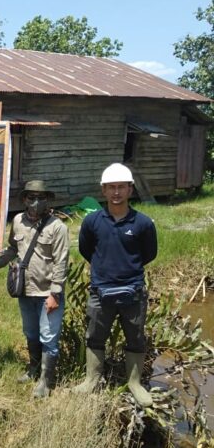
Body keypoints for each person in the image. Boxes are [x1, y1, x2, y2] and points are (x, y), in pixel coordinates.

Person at [73, 163, 157, 407]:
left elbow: (149, 254)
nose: (116, 192)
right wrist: (105, 270)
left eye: (121, 187)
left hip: (134, 291)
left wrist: (126, 272)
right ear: (103, 190)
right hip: (101, 291)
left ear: (130, 189)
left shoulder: (143, 223)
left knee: (136, 337)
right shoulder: (92, 222)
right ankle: (92, 380)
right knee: (95, 336)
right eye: (112, 187)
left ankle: (135, 383)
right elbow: (85, 249)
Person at [0, 181, 69, 398]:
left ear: (48, 200)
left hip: (47, 293)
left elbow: (61, 262)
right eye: (31, 197)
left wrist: (55, 294)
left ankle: (46, 381)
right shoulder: (17, 221)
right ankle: (33, 369)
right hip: (25, 291)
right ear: (24, 199)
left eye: (41, 198)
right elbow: (13, 249)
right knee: (31, 332)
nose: (36, 203)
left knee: (49, 337)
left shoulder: (57, 227)